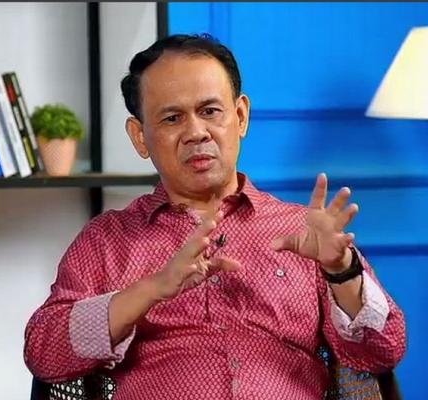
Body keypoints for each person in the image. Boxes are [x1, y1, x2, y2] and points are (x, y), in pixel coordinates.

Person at [24, 34, 406, 400]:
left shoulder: (303, 232)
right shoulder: (109, 239)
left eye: (209, 111)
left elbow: (384, 349)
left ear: (240, 116)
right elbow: (43, 351)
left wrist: (342, 272)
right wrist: (151, 289)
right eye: (172, 118)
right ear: (140, 136)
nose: (196, 132)